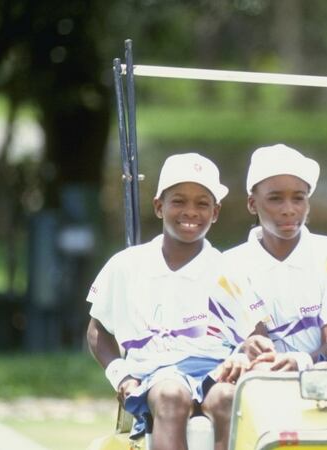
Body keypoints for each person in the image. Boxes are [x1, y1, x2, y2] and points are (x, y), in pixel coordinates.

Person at [86, 153, 267, 450]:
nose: (191, 212)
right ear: (159, 206)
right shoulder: (126, 265)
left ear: (216, 212)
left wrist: (243, 355)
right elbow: (97, 330)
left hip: (214, 369)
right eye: (179, 201)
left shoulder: (229, 270)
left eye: (202, 203)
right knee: (171, 395)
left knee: (227, 399)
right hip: (155, 373)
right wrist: (121, 376)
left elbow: (258, 332)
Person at [225, 144, 327, 370]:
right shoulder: (230, 266)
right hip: (264, 374)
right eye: (275, 199)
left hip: (324, 373)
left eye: (298, 198)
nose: (289, 209)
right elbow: (258, 342)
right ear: (252, 204)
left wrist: (300, 362)